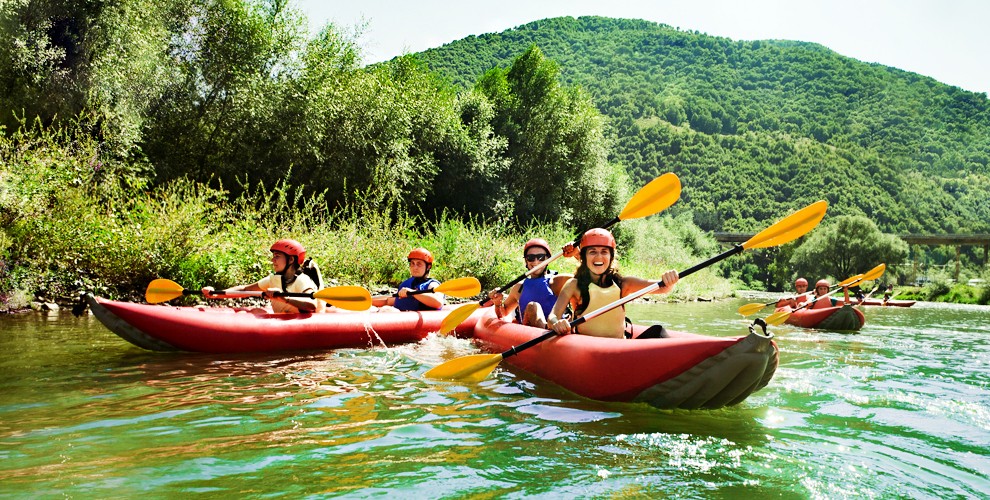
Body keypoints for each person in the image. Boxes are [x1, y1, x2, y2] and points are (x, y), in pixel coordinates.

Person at [547, 228, 679, 338]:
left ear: (611, 257)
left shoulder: (624, 284)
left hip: (618, 348)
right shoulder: (573, 285)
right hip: (587, 348)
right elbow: (552, 316)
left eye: (604, 252)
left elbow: (663, 288)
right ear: (584, 256)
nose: (599, 257)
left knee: (658, 332)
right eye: (592, 251)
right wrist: (556, 323)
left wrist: (669, 280)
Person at [202, 239, 319, 313]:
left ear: (291, 259)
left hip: (301, 323)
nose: (273, 260)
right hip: (282, 321)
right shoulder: (273, 280)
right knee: (256, 311)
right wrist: (216, 294)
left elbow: (311, 305)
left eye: (277, 256)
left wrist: (282, 298)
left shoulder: (303, 280)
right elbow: (244, 289)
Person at [488, 238, 576, 327]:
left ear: (548, 259)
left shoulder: (557, 281)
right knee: (532, 307)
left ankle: (551, 327)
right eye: (531, 258)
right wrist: (497, 303)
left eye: (541, 257)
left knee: (533, 306)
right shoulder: (519, 288)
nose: (536, 261)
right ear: (526, 261)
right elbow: (502, 314)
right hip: (532, 333)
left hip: (559, 331)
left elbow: (586, 279)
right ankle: (546, 327)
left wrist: (577, 254)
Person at [372, 247, 445, 311]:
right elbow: (388, 301)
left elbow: (438, 302)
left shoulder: (432, 284)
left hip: (426, 323)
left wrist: (412, 293)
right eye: (412, 263)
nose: (415, 267)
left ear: (428, 267)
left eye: (419, 264)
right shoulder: (407, 284)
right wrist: (368, 301)